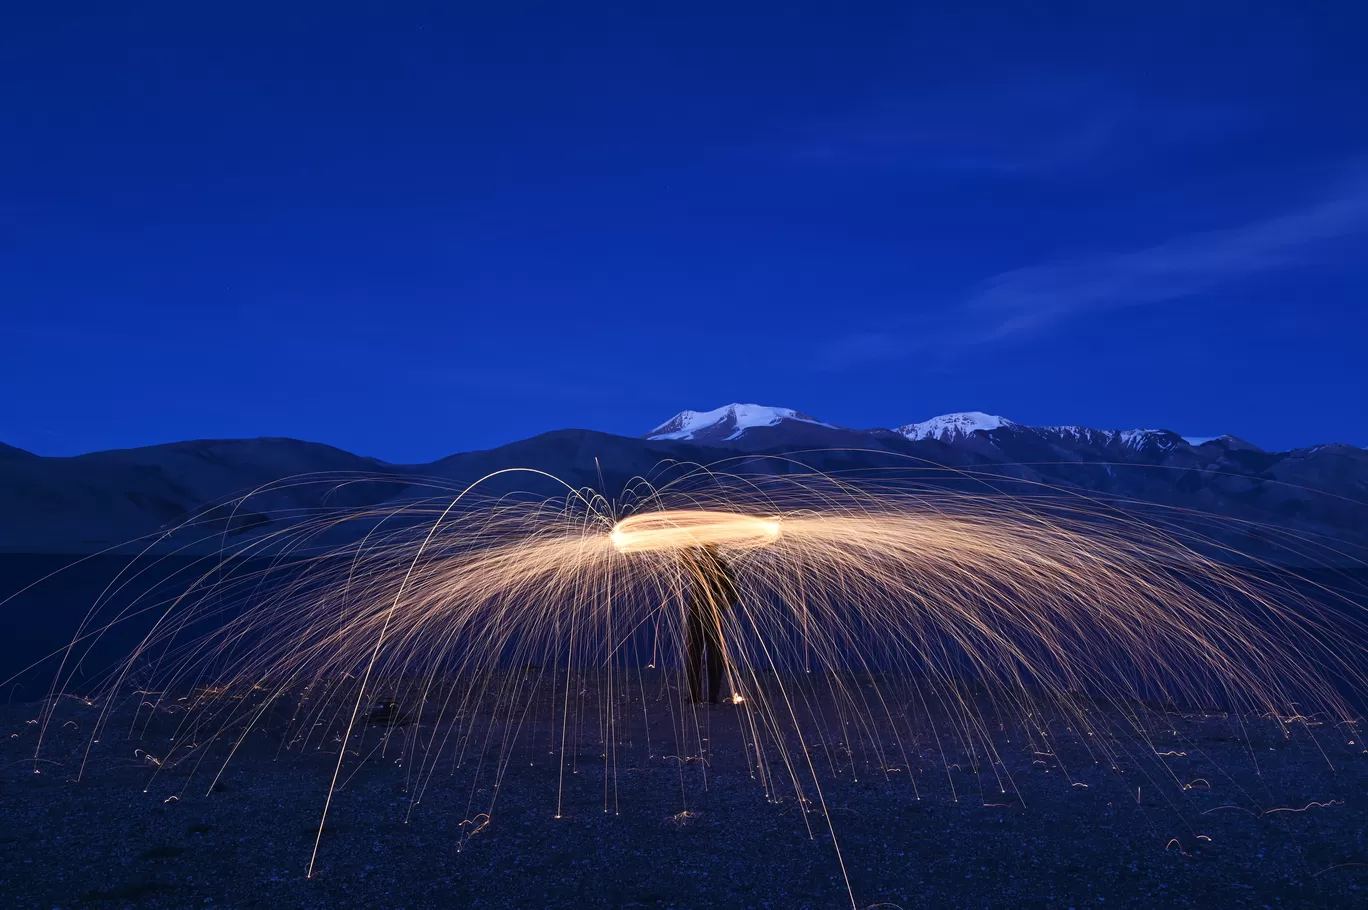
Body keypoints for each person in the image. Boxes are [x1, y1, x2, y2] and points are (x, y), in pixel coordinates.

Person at [682, 543, 738, 705]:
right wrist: (722, 604)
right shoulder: (712, 565)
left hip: (706, 615)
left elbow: (733, 592)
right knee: (703, 656)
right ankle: (702, 695)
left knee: (706, 656)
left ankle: (701, 696)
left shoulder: (716, 565)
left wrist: (722, 604)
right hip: (705, 615)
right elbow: (734, 592)